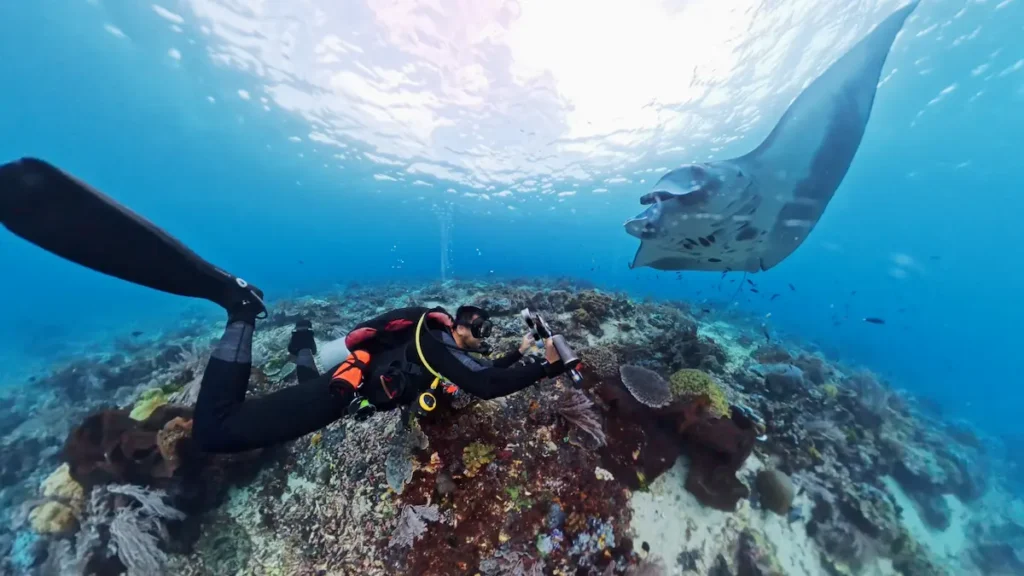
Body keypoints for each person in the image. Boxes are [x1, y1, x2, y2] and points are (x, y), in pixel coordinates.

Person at [193, 284, 566, 453]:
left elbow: (481, 370)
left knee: (306, 378)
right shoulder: (434, 344)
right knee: (217, 430)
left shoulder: (442, 344)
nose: (484, 334)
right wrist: (546, 369)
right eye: (478, 326)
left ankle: (303, 339)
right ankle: (242, 309)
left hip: (344, 389)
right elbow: (484, 384)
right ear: (460, 326)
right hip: (340, 397)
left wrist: (520, 353)